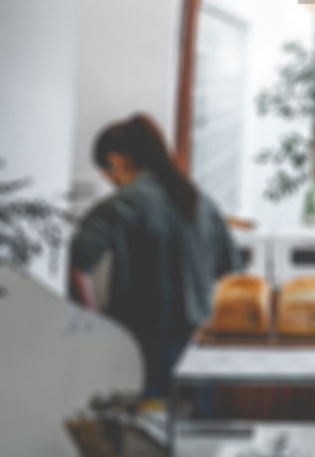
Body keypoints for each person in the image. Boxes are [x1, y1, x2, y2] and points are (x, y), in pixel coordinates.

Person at [70, 114, 241, 396]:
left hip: (140, 349)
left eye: (109, 174)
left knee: (141, 434)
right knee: (190, 436)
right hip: (198, 350)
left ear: (116, 161)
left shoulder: (124, 202)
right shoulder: (198, 200)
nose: (113, 182)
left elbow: (77, 265)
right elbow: (230, 272)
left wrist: (92, 327)